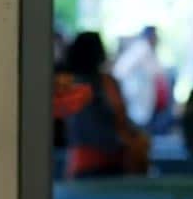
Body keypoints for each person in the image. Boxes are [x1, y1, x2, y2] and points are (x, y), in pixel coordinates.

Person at [61, 32, 149, 179]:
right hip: (88, 168)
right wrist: (126, 143)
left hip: (118, 165)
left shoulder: (108, 83)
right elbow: (94, 129)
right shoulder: (73, 88)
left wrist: (137, 139)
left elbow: (123, 120)